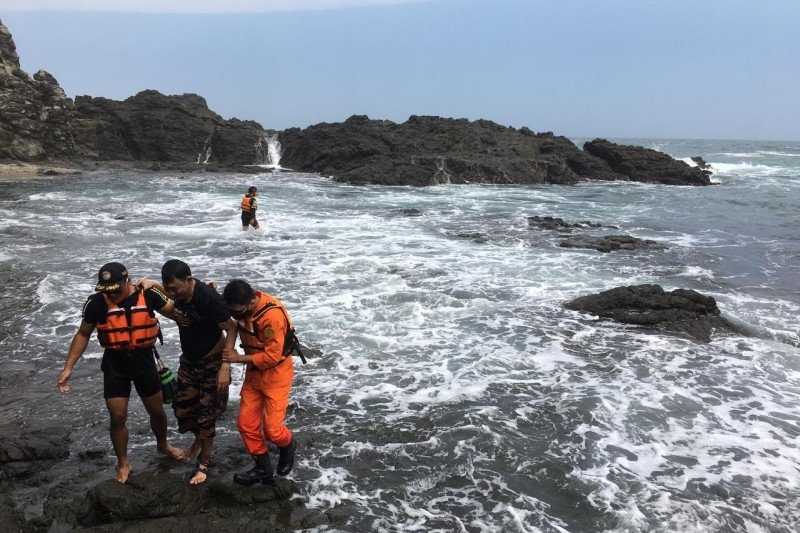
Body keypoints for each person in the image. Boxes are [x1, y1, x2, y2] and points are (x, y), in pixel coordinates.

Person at [56, 262, 185, 483]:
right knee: (117, 416)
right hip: (115, 364)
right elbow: (83, 334)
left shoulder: (149, 294)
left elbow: (179, 312)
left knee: (156, 411)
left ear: (128, 280)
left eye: (116, 289)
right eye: (107, 290)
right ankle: (123, 462)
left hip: (144, 361)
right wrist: (68, 367)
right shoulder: (96, 303)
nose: (112, 294)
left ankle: (163, 445)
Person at [140, 259, 238, 485]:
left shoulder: (208, 298)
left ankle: (204, 462)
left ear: (189, 279)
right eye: (169, 288)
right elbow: (161, 288)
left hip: (213, 362)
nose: (172, 293)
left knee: (206, 416)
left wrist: (225, 366)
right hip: (189, 361)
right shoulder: (178, 292)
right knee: (182, 409)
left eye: (176, 288)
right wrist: (150, 282)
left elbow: (232, 328)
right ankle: (199, 442)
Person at [222, 279, 297, 485]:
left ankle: (288, 445)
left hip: (276, 373)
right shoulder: (240, 309)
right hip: (254, 373)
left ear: (252, 300)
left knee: (273, 430)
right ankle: (263, 467)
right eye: (232, 312)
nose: (235, 316)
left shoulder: (271, 317)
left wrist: (238, 359)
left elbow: (273, 356)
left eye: (238, 312)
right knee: (246, 424)